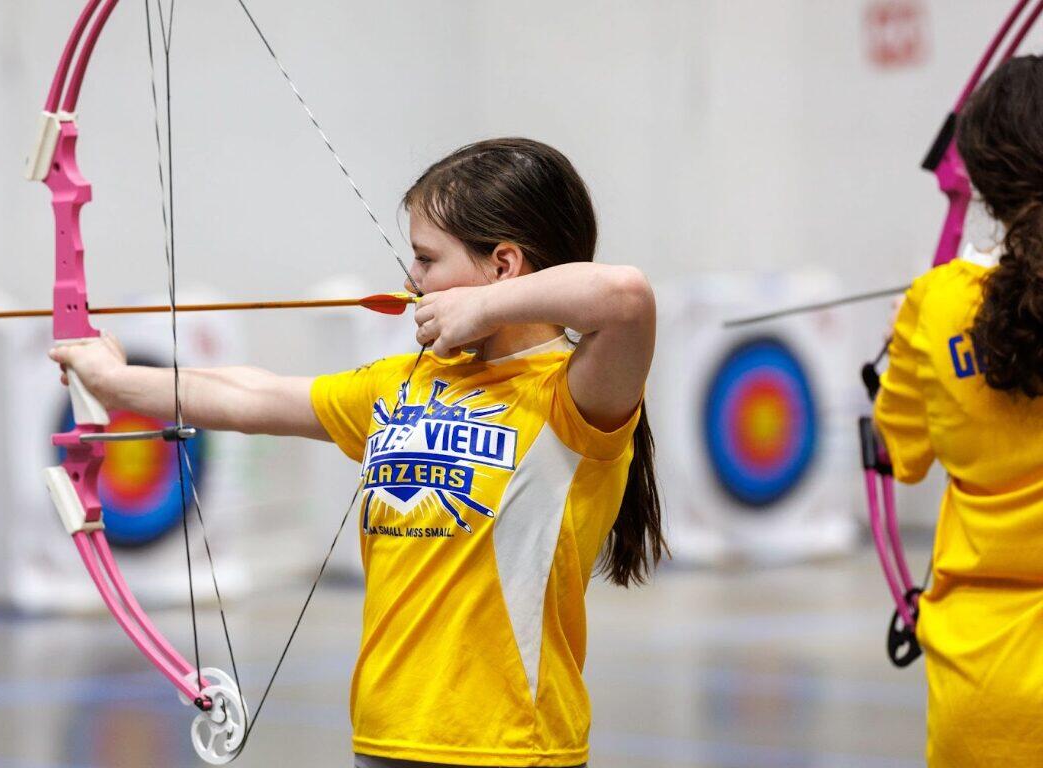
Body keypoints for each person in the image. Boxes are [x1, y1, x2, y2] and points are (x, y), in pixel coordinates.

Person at [51, 137, 663, 767]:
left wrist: (484, 307)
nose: (411, 280)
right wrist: (115, 382)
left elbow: (627, 297)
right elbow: (251, 395)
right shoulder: (402, 384)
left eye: (426, 259)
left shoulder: (570, 397)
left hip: (508, 748)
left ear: (503, 266)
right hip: (384, 738)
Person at [874, 57, 1043, 767]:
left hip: (983, 682)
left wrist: (907, 340)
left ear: (975, 175)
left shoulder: (936, 303)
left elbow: (901, 457)